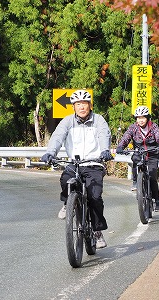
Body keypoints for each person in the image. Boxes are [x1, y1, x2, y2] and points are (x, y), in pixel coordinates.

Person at [41, 89, 113, 249]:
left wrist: (105, 150)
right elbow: (58, 136)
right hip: (75, 163)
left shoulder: (98, 120)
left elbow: (103, 135)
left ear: (90, 105)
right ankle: (68, 203)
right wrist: (50, 153)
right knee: (66, 179)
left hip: (94, 163)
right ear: (73, 106)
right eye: (78, 104)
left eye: (85, 104)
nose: (82, 107)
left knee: (94, 197)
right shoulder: (67, 121)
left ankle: (97, 231)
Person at [116, 106, 159, 212]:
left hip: (152, 153)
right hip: (139, 152)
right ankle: (136, 181)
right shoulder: (133, 128)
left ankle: (157, 200)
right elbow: (126, 137)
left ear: (147, 118)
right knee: (135, 159)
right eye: (138, 118)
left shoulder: (153, 127)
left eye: (143, 117)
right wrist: (120, 147)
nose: (140, 120)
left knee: (152, 177)